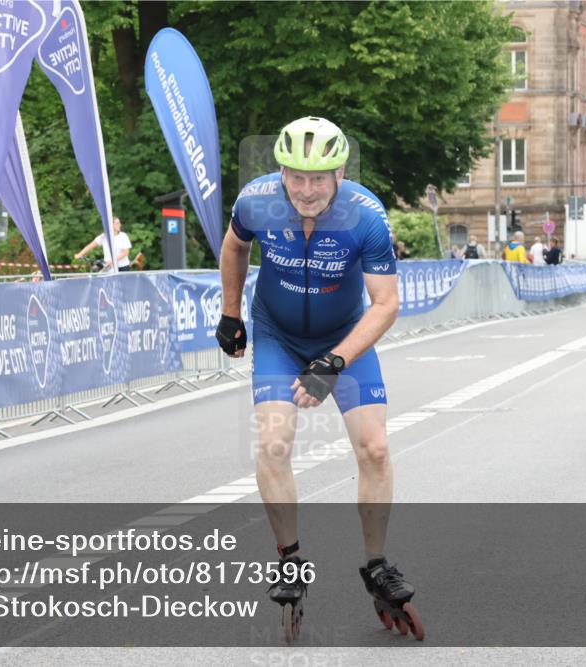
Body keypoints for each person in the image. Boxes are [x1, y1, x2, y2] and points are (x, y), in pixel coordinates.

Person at [216, 116, 423, 641]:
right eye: (295, 177)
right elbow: (235, 247)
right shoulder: (255, 202)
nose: (306, 191)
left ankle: (377, 564)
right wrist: (231, 312)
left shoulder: (366, 216)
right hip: (278, 336)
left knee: (375, 449)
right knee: (274, 441)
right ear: (281, 172)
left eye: (319, 178)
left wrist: (334, 361)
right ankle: (290, 561)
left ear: (339, 173)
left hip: (345, 338)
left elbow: (385, 304)